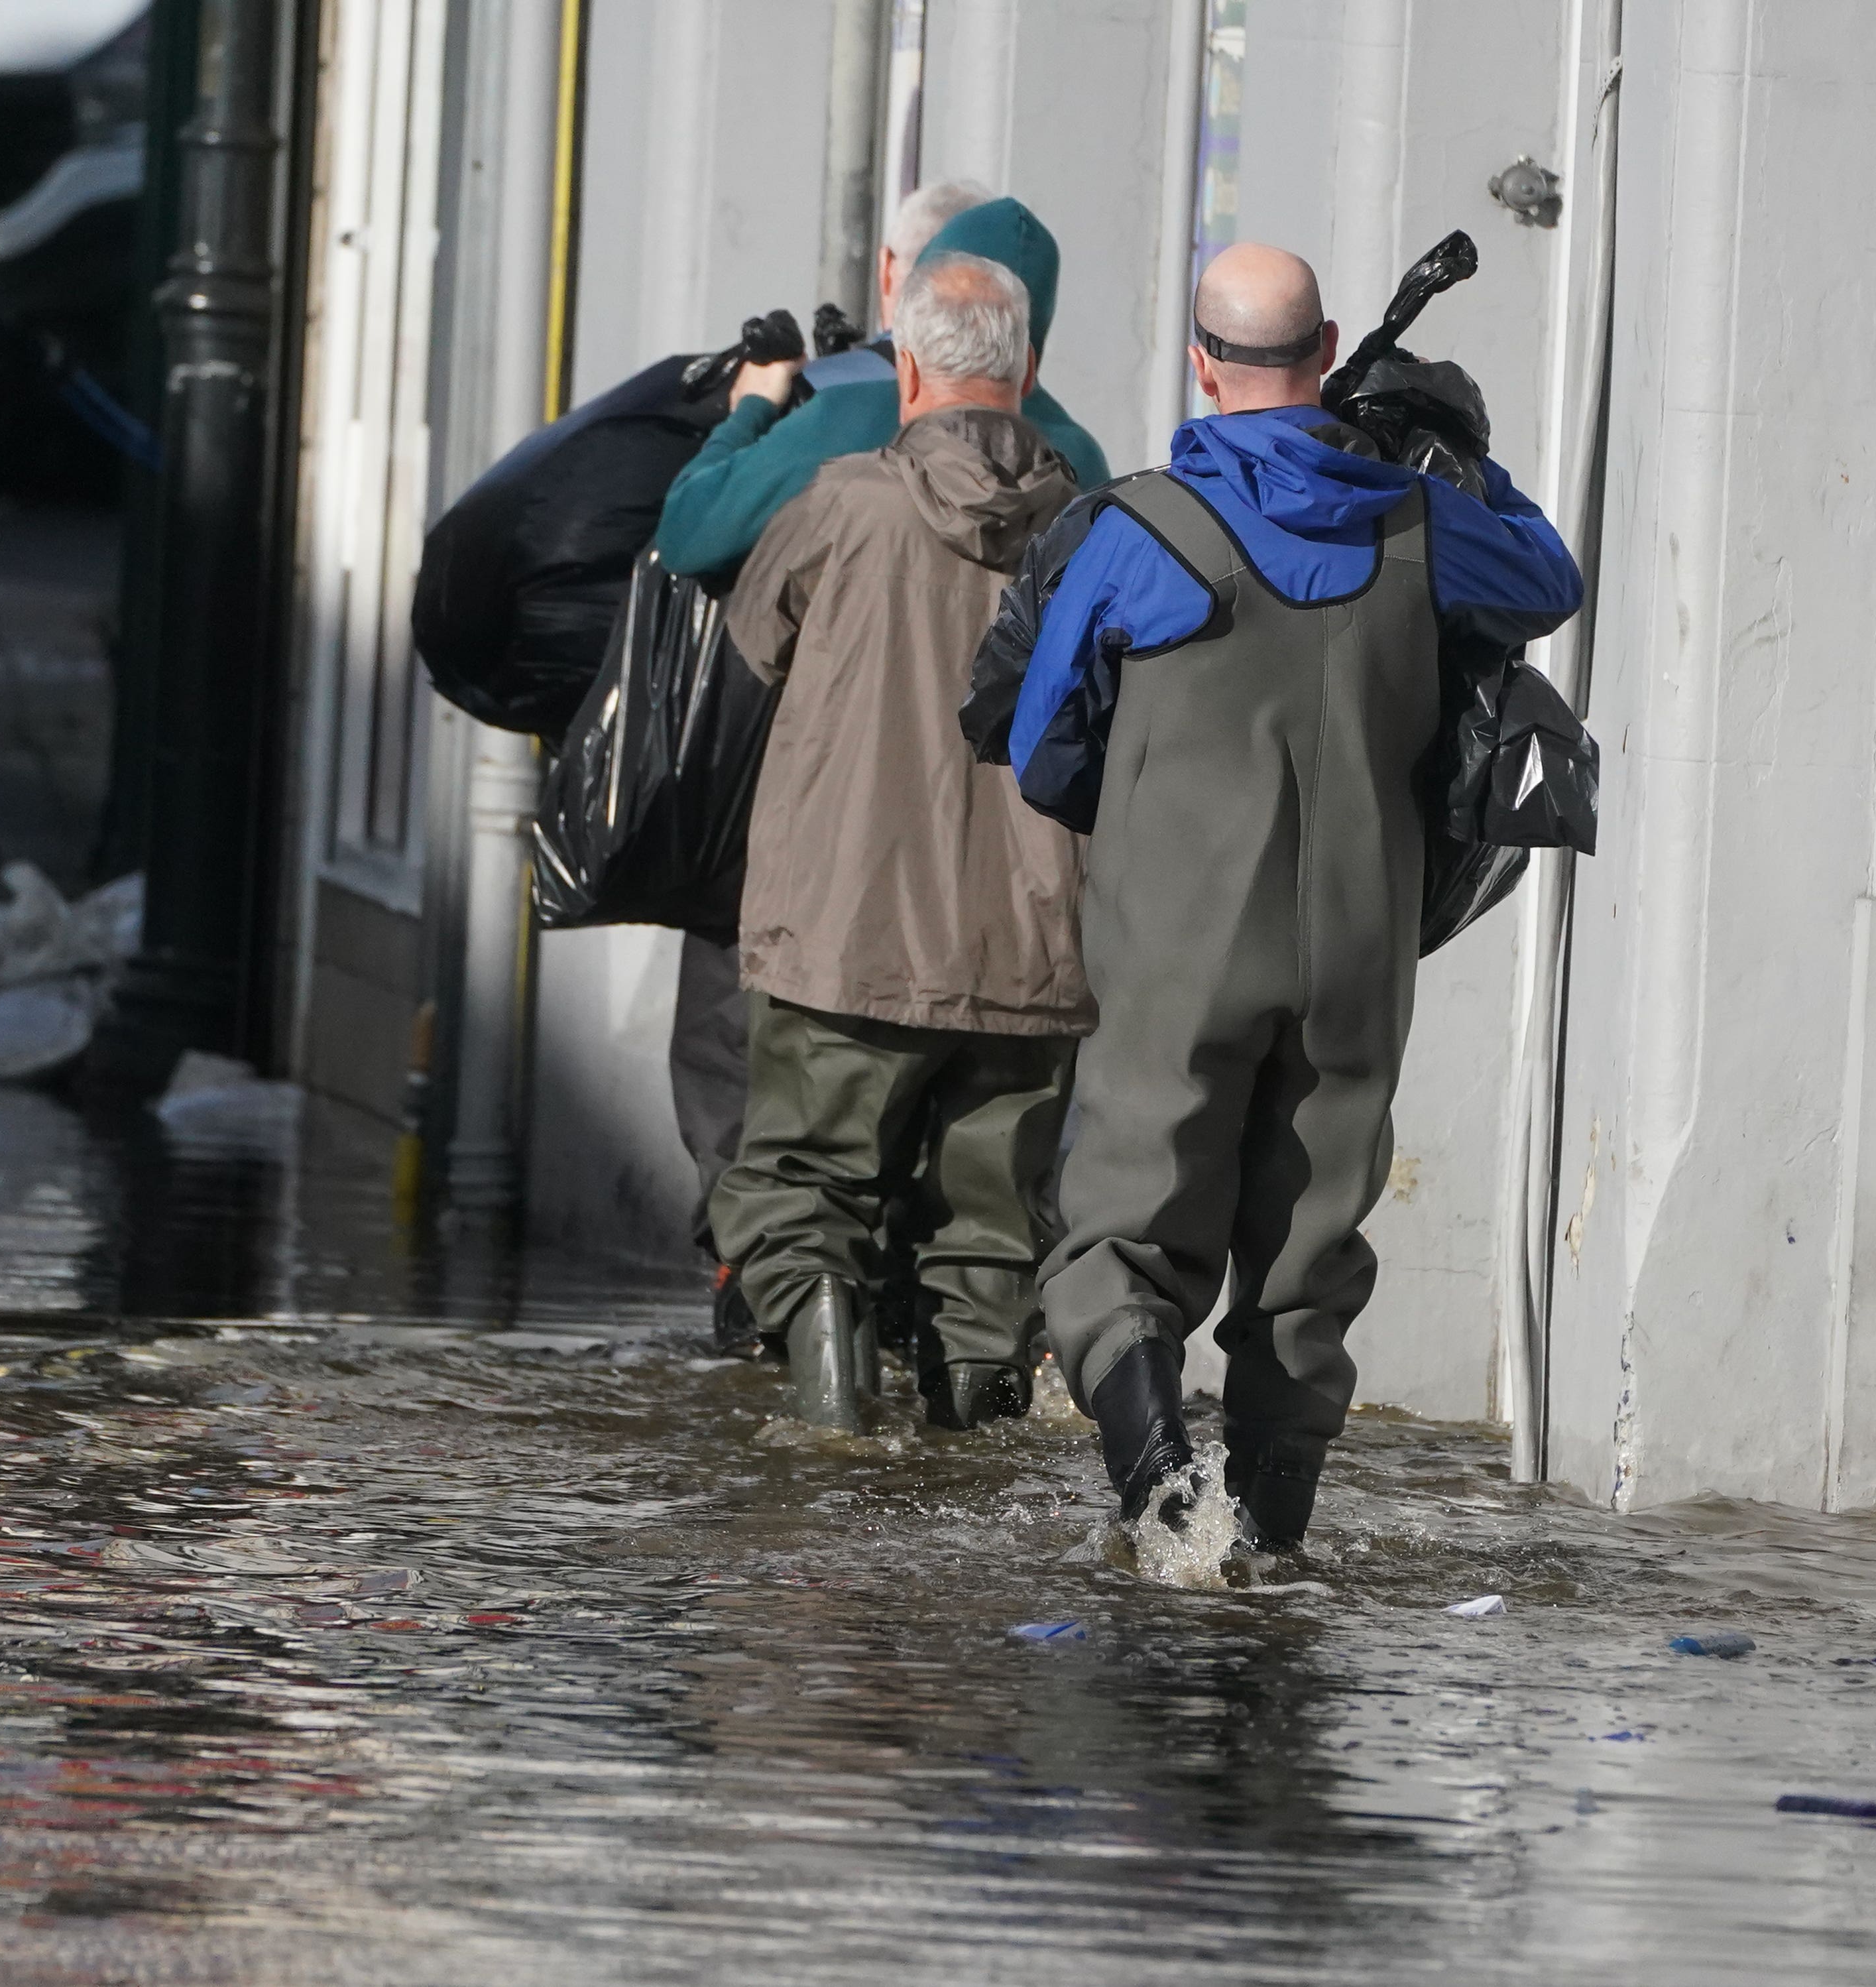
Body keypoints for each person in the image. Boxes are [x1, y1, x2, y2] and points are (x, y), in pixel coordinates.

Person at [978, 243, 1583, 1548]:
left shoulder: (1142, 531)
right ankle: (1271, 1550)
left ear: (1200, 361)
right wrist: (1444, 459)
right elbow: (1550, 575)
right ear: (1327, 352)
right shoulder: (1421, 529)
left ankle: (1164, 1501)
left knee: (1118, 1241)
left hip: (1179, 944)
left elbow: (1039, 753)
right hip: (1362, 950)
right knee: (1307, 1265)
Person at [663, 188, 1105, 1355]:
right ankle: (972, 1499)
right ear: (1032, 364)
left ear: (907, 370)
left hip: (844, 931)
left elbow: (750, 644)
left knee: (801, 1199)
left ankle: (832, 1435)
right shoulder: (1097, 522)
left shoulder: (840, 504)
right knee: (989, 1233)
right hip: (1030, 940)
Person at [655, 194, 1110, 579]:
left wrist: (750, 409)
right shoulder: (1082, 461)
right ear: (1030, 357)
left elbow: (688, 530)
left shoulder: (846, 416)